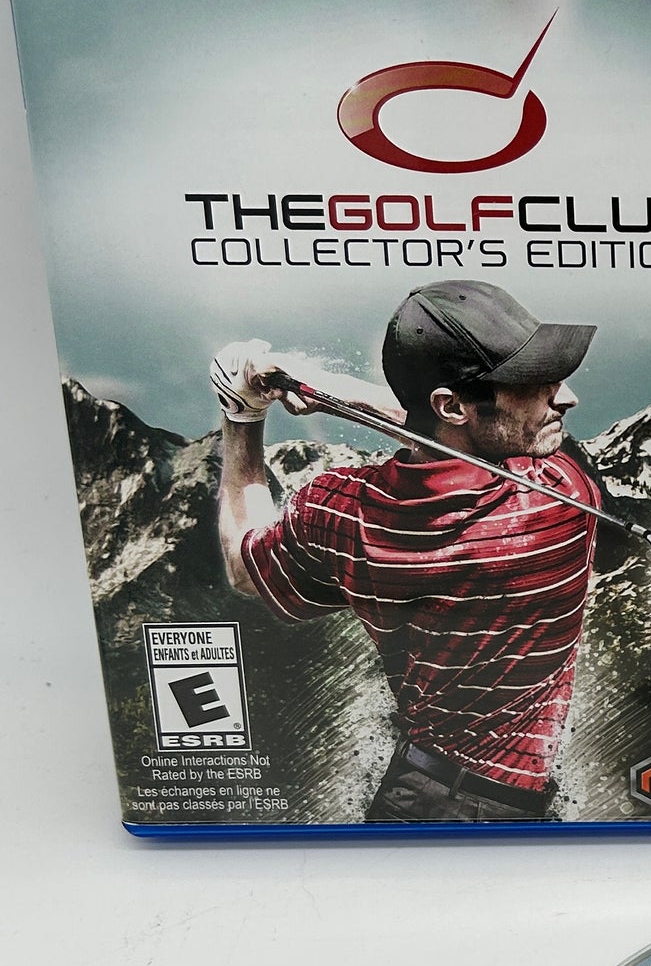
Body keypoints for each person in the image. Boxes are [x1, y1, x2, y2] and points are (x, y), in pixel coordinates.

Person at [211, 280, 606, 823]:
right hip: (488, 805)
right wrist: (328, 387)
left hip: (420, 798)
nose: (564, 397)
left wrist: (242, 415)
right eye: (533, 385)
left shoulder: (343, 511)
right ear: (452, 404)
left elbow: (243, 566)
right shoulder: (559, 496)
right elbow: (451, 436)